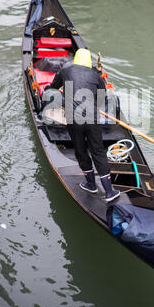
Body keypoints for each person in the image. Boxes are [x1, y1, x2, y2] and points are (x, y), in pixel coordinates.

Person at [44, 48, 120, 202]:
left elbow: (52, 87)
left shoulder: (65, 71)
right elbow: (101, 99)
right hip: (91, 118)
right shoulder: (96, 76)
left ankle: (91, 185)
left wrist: (60, 91)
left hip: (73, 118)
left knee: (80, 150)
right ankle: (109, 192)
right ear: (89, 62)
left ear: (76, 60)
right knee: (98, 151)